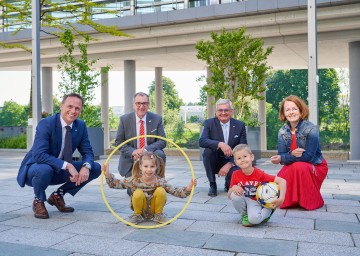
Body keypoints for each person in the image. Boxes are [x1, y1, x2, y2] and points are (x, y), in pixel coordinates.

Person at [17, 93, 102, 219]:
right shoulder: (46, 123)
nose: (73, 111)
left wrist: (86, 165)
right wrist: (67, 165)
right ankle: (38, 200)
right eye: (70, 106)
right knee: (44, 169)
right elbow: (39, 155)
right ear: (61, 106)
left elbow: (88, 152)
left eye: (77, 108)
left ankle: (58, 196)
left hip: (59, 170)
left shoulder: (81, 126)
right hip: (36, 170)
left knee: (95, 167)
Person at [103, 152, 196, 224]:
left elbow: (176, 191)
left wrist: (188, 188)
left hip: (154, 209)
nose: (149, 169)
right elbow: (115, 184)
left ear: (156, 167)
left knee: (160, 190)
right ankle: (137, 215)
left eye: (152, 166)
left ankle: (158, 215)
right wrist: (107, 175)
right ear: (140, 167)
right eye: (146, 166)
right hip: (141, 208)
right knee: (138, 192)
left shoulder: (160, 181)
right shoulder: (134, 180)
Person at [270, 95, 328, 210]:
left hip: (315, 166)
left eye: (294, 109)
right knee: (279, 181)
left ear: (301, 111)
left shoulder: (311, 129)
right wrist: (287, 156)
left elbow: (309, 157)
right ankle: (294, 201)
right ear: (283, 113)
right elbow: (282, 155)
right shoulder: (282, 131)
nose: (291, 112)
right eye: (287, 110)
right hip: (294, 164)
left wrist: (285, 157)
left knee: (300, 166)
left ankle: (311, 201)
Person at [115, 92, 166, 195]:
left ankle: (156, 181)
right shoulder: (124, 119)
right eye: (138, 103)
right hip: (132, 159)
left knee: (160, 153)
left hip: (150, 157)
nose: (141, 106)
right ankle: (136, 182)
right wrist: (133, 151)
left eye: (144, 103)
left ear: (149, 104)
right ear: (133, 104)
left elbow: (162, 141)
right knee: (134, 193)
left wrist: (145, 151)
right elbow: (118, 142)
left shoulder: (157, 119)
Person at [228, 144, 286, 226]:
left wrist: (281, 199)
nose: (242, 160)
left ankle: (268, 210)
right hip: (245, 199)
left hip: (257, 202)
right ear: (235, 162)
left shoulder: (258, 173)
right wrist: (234, 187)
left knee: (254, 220)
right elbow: (229, 196)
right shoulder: (235, 174)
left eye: (245, 156)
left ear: (252, 157)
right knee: (234, 195)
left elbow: (282, 181)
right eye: (239, 158)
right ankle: (245, 215)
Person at [199, 98, 247, 197]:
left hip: (232, 160)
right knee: (207, 152)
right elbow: (202, 141)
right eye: (220, 110)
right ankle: (212, 184)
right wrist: (220, 144)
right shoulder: (209, 123)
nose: (223, 113)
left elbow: (243, 148)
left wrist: (230, 164)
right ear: (216, 111)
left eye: (226, 110)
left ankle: (228, 182)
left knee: (236, 172)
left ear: (231, 111)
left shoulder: (240, 125)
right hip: (215, 159)